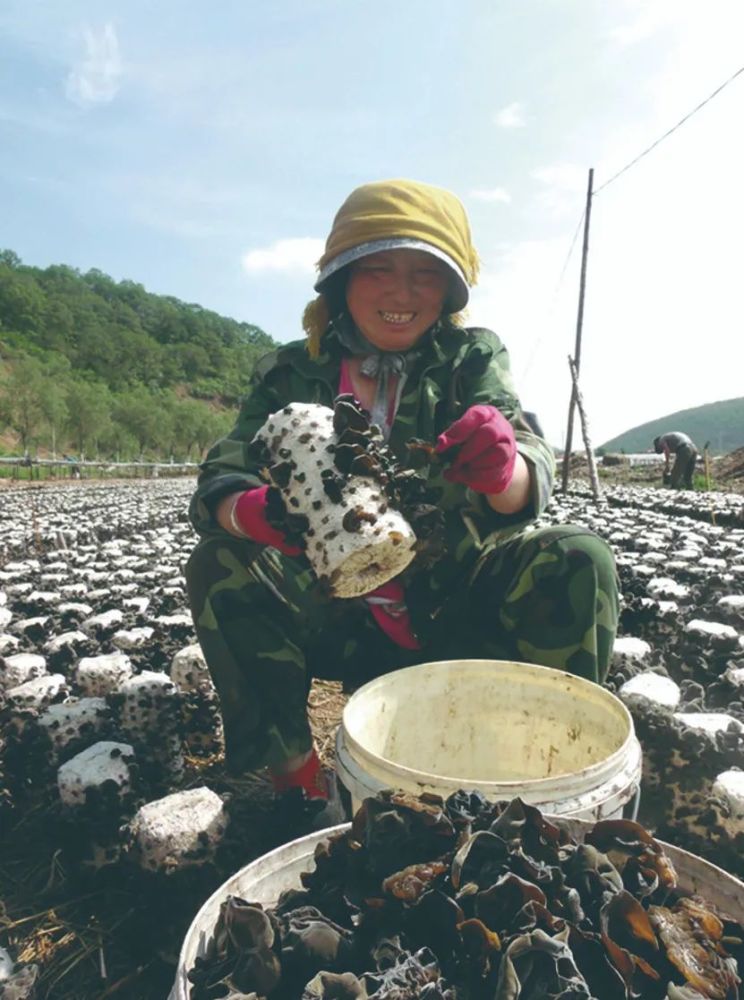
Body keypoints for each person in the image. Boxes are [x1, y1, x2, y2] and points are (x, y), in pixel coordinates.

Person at [186, 179, 619, 813]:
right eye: (378, 269)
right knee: (220, 563)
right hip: (334, 605)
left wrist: (506, 471)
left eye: (424, 273)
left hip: (454, 604)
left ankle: (549, 767)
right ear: (340, 282)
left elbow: (526, 459)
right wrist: (247, 511)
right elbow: (224, 472)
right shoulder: (290, 372)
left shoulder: (470, 357)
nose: (400, 292)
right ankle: (287, 780)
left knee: (579, 556)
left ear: (448, 290)